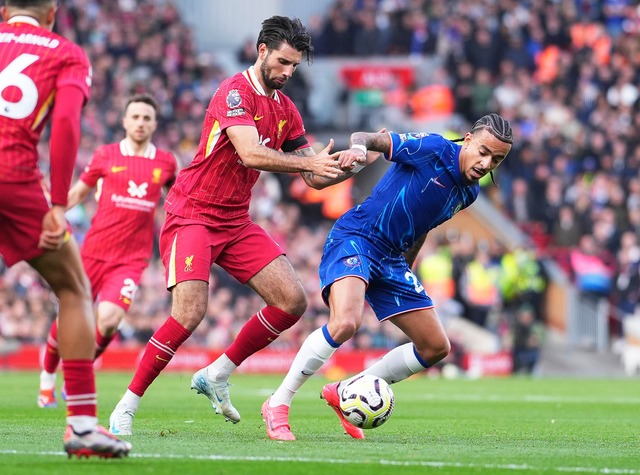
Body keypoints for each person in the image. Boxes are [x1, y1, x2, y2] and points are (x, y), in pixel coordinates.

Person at [108, 15, 358, 436]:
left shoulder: (286, 109)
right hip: (192, 214)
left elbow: (313, 176)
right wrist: (310, 162)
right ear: (262, 51)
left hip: (235, 221)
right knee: (189, 313)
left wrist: (345, 165)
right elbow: (250, 154)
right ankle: (126, 406)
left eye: (294, 66)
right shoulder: (235, 92)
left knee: (292, 301)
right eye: (282, 62)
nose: (287, 72)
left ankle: (218, 373)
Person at [261, 113, 514, 441]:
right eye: (483, 151)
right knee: (346, 322)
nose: (486, 162)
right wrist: (357, 149)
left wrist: (405, 267)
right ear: (467, 139)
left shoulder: (470, 193)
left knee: (436, 346)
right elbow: (368, 136)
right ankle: (278, 403)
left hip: (392, 259)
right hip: (359, 236)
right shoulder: (434, 148)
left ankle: (349, 389)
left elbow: (424, 225)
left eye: (497, 159)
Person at [0, 0, 131, 458]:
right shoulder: (65, 53)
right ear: (52, 12)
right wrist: (58, 204)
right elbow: (66, 124)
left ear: (3, 11)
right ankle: (80, 426)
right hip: (14, 177)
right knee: (74, 289)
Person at [38, 94, 178, 407]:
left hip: (131, 260)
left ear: (154, 124)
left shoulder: (166, 163)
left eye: (146, 118)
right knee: (69, 317)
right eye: (136, 117)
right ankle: (47, 376)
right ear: (125, 121)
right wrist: (50, 214)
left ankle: (78, 374)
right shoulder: (106, 155)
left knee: (109, 320)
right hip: (92, 254)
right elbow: (76, 193)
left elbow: (177, 203)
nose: (141, 123)